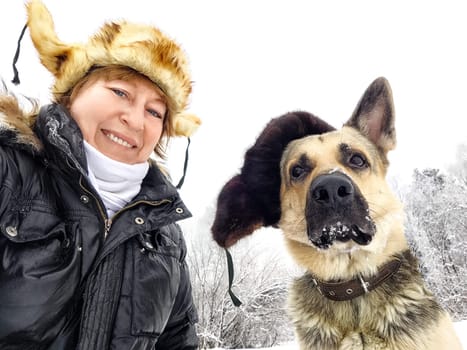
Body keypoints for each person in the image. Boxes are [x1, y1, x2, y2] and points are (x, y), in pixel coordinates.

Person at [0, 1, 201, 349]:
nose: (135, 120)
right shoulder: (10, 174)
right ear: (74, 90)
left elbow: (178, 340)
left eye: (154, 112)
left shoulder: (164, 235)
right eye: (120, 92)